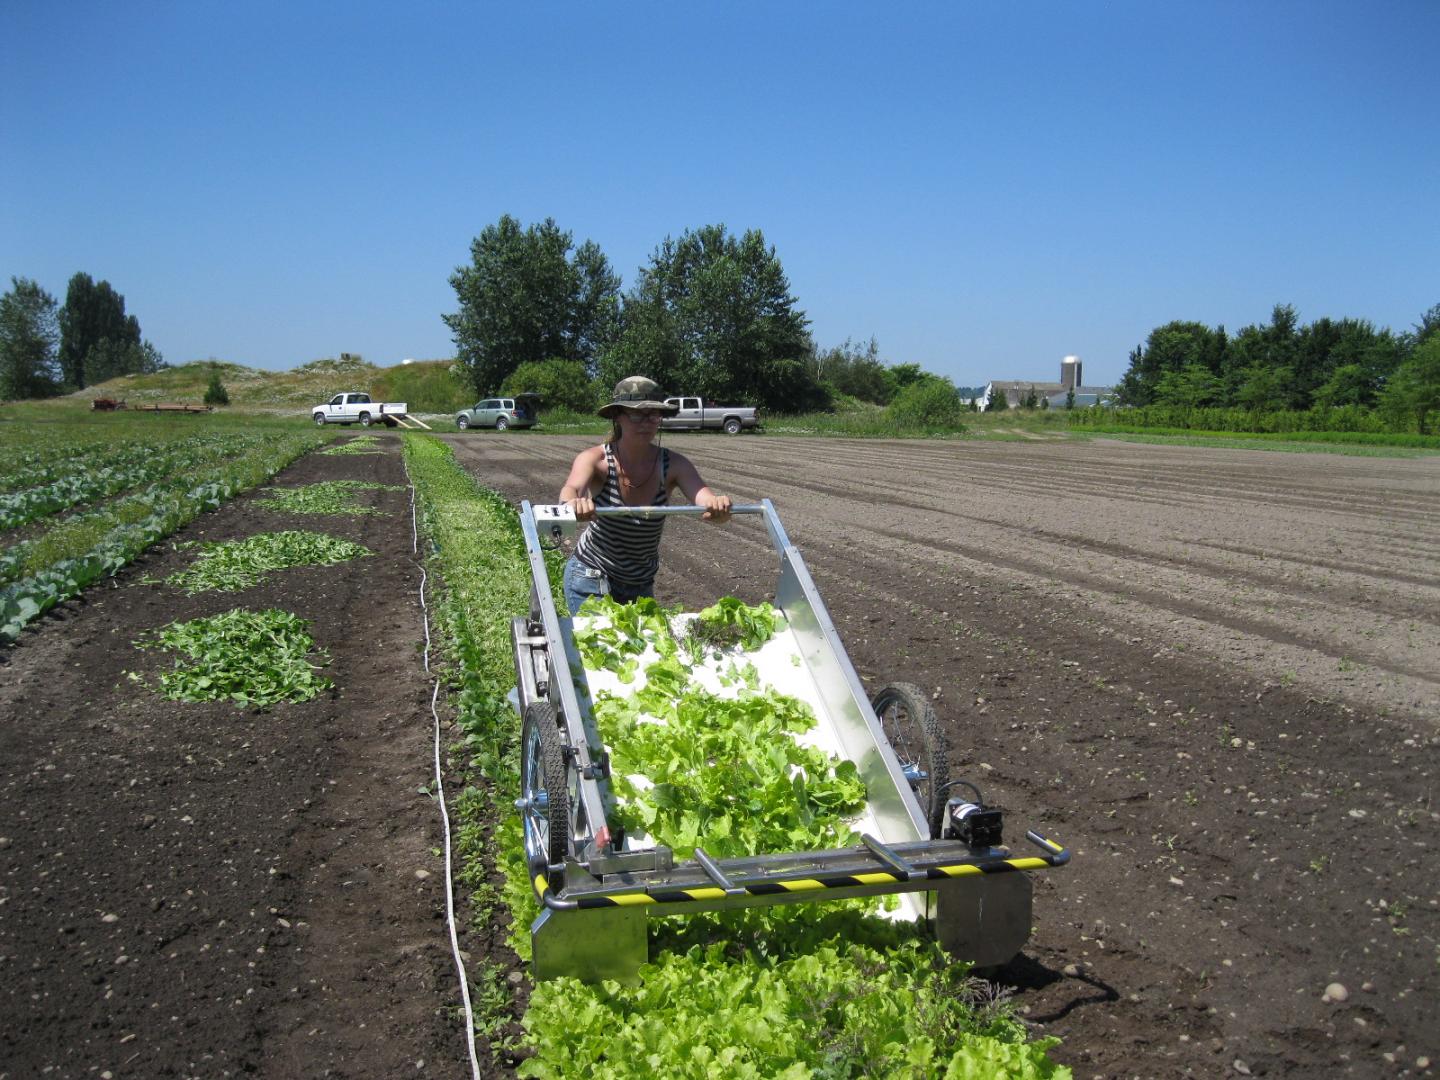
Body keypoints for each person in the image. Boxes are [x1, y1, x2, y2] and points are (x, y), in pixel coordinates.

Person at [559, 376, 732, 615]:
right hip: (592, 575)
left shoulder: (673, 464)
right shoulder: (595, 460)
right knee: (600, 639)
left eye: (653, 414)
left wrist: (718, 506)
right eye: (636, 414)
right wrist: (573, 504)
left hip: (640, 584)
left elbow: (704, 497)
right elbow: (571, 489)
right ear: (618, 416)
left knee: (644, 641)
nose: (646, 422)